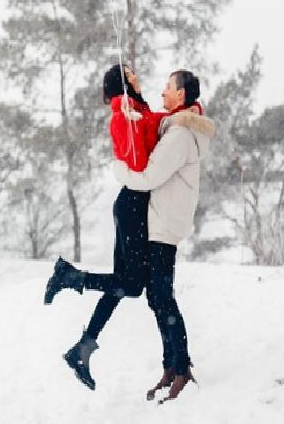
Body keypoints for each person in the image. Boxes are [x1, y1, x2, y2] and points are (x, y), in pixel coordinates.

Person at [43, 64, 201, 391]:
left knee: (124, 285)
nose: (139, 76)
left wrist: (192, 113)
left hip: (135, 205)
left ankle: (83, 349)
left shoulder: (142, 111)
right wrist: (123, 116)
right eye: (132, 73)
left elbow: (164, 122)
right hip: (132, 205)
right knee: (132, 285)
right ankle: (70, 277)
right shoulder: (125, 115)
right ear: (125, 83)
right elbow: (140, 163)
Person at [112, 69, 215, 403]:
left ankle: (182, 368)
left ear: (182, 95)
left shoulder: (181, 135)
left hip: (164, 222)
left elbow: (149, 176)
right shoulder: (177, 128)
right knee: (157, 296)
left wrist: (119, 169)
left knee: (162, 297)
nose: (163, 92)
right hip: (164, 220)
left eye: (168, 88)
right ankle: (171, 366)